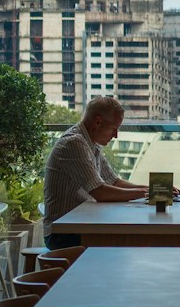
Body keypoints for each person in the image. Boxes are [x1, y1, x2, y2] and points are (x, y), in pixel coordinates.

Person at [41, 97, 145, 248]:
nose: (116, 135)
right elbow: (101, 192)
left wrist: (152, 190)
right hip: (61, 235)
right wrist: (143, 194)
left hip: (80, 225)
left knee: (125, 241)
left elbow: (114, 181)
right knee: (126, 243)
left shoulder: (91, 144)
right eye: (114, 128)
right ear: (97, 122)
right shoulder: (73, 143)